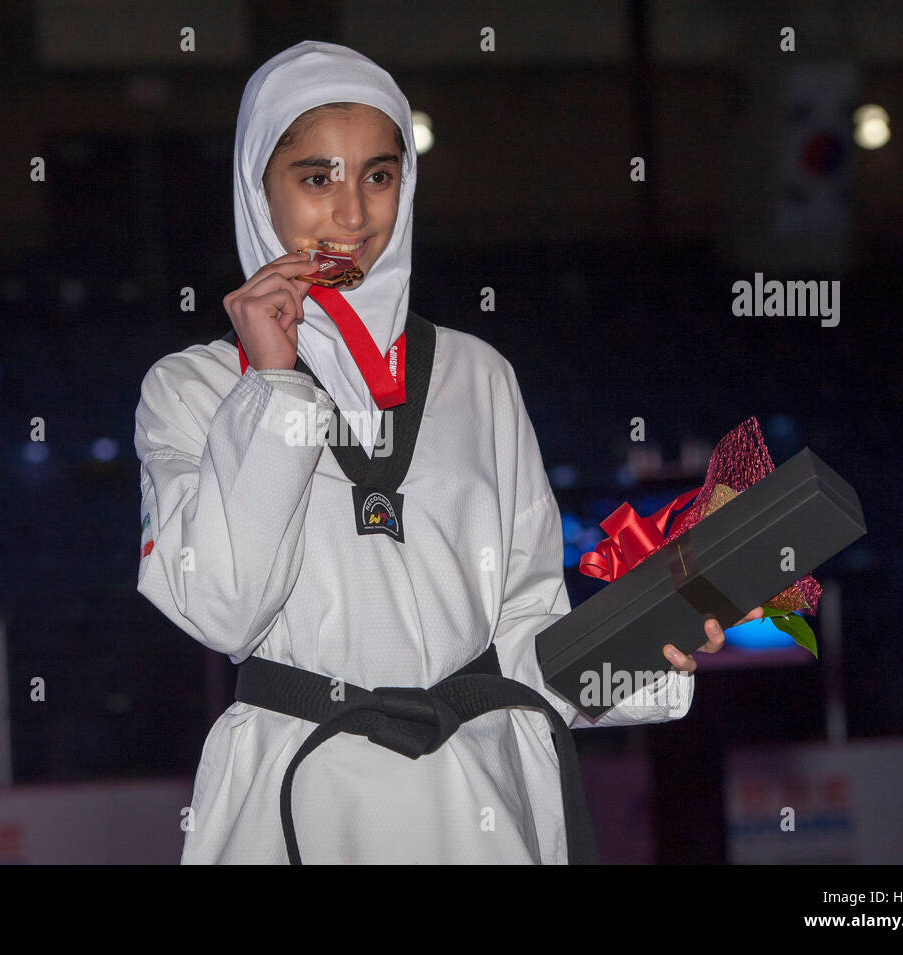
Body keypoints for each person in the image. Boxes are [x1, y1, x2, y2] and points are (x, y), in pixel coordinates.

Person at [134, 40, 762, 864]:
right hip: (294, 800)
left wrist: (650, 645)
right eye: (317, 178)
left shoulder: (479, 375)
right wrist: (278, 387)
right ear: (258, 186)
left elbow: (526, 638)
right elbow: (225, 608)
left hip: (475, 804)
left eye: (380, 175)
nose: (353, 215)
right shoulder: (193, 389)